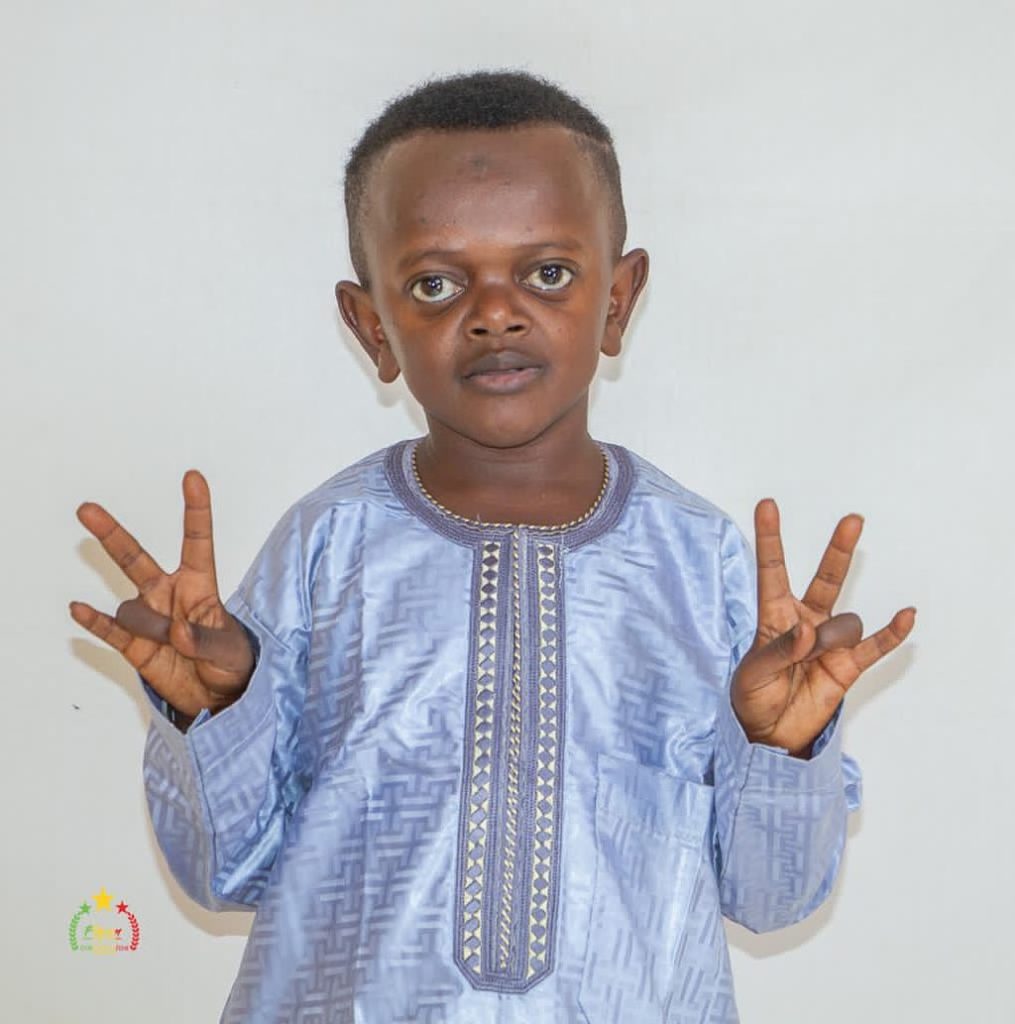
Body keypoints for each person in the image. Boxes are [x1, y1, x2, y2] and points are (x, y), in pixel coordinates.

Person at [70, 70, 915, 1023]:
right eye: (435, 284)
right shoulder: (327, 546)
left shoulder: (700, 561)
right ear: (371, 327)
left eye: (546, 273)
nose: (494, 312)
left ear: (618, 299)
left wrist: (782, 746)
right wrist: (215, 712)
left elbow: (771, 899)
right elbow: (226, 873)